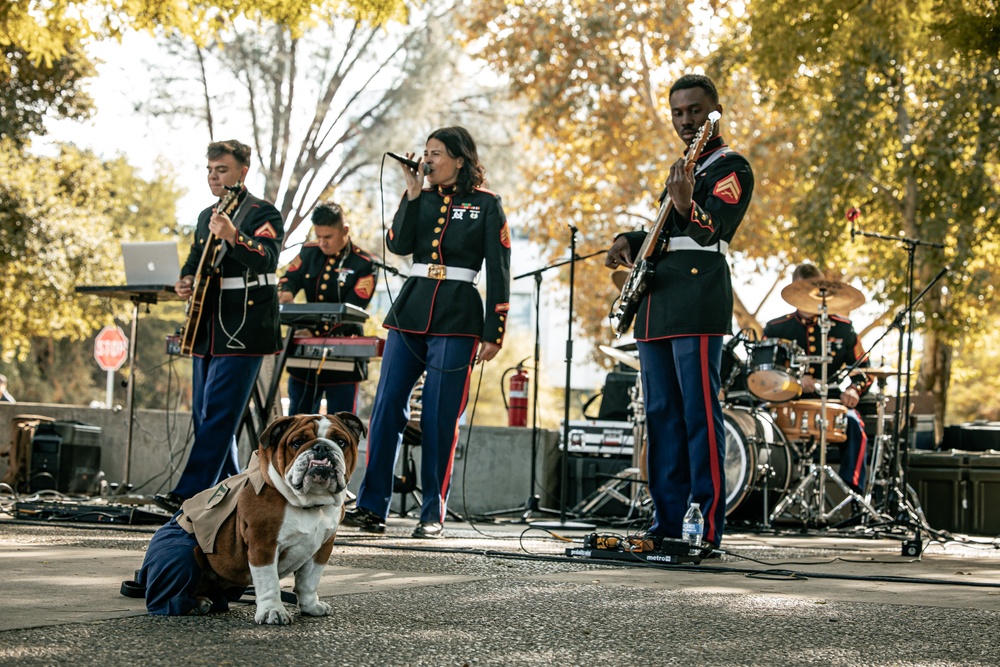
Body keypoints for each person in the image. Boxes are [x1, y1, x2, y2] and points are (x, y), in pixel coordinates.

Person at [604, 74, 755, 550]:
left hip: (696, 302)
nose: (685, 120)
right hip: (656, 304)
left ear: (715, 113)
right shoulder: (680, 168)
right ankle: (666, 525)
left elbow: (713, 230)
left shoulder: (731, 167)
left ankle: (704, 529)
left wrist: (688, 201)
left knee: (699, 416)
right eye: (678, 112)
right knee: (662, 417)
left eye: (694, 110)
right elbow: (662, 233)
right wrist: (629, 240)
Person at [344, 126, 511, 539]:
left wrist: (495, 329)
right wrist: (412, 194)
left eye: (437, 153)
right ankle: (371, 506)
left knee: (439, 415)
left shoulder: (487, 204)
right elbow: (399, 244)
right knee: (386, 408)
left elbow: (500, 268)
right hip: (412, 308)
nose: (428, 159)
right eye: (426, 152)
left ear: (459, 158)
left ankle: (431, 511)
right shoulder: (419, 196)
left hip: (458, 314)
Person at [153, 139, 284, 513]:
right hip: (207, 326)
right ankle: (230, 492)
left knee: (221, 414)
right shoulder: (205, 215)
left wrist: (234, 236)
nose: (214, 176)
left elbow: (268, 259)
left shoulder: (263, 212)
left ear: (242, 172)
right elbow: (195, 259)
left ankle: (189, 493)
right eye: (210, 170)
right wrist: (185, 279)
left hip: (246, 327)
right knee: (204, 413)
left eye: (221, 169)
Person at [762, 263, 872, 493]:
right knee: (760, 424)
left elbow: (864, 369)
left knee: (854, 424)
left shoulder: (843, 329)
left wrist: (854, 389)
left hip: (830, 402)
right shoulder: (775, 328)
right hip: (785, 403)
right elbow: (761, 374)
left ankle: (851, 495)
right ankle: (770, 491)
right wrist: (792, 381)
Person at [278, 202, 378, 415]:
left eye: (328, 237)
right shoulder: (308, 252)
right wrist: (286, 290)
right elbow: (289, 278)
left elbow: (354, 310)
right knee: (298, 422)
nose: (322, 243)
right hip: (304, 357)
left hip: (343, 357)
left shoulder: (364, 263)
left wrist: (313, 330)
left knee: (341, 425)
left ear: (345, 230)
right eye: (318, 237)